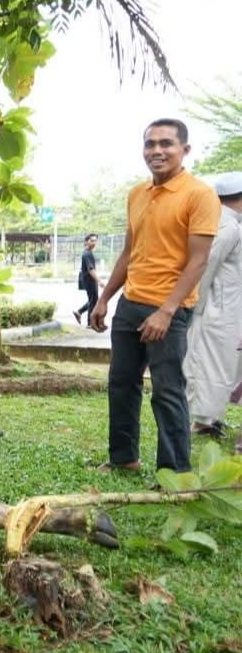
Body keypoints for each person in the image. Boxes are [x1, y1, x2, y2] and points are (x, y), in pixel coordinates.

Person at [90, 118, 219, 474]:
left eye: (166, 144)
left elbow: (198, 261)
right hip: (130, 304)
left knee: (167, 391)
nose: (157, 151)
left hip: (170, 310)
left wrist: (166, 310)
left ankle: (174, 472)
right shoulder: (137, 194)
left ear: (184, 150)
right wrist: (104, 298)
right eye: (150, 144)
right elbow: (129, 254)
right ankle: (124, 459)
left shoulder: (199, 194)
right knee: (121, 383)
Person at [183, 171, 242, 438]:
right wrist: (196, 309)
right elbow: (205, 267)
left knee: (224, 366)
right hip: (214, 311)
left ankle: (211, 417)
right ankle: (201, 421)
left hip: (228, 310)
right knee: (209, 366)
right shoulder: (226, 227)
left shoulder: (232, 224)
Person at [73, 233, 103, 327]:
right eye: (92, 241)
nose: (94, 243)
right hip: (90, 280)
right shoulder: (87, 254)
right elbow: (90, 270)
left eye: (95, 241)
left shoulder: (88, 252)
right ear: (86, 242)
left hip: (89, 280)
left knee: (93, 299)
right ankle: (90, 323)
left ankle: (79, 312)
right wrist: (99, 281)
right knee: (93, 300)